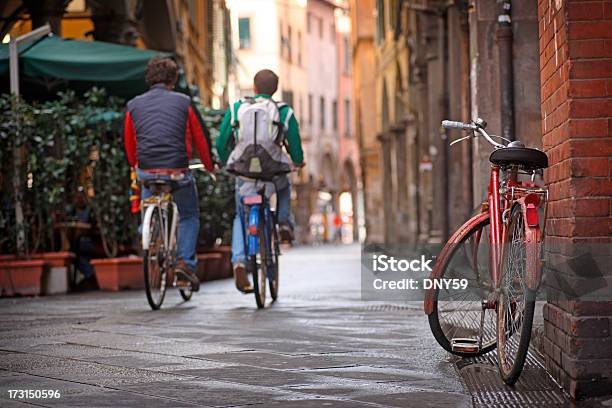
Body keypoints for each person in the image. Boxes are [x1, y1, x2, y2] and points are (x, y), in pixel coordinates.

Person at [124, 57, 214, 291]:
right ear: (174, 79)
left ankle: (148, 233)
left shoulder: (133, 105)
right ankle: (185, 263)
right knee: (189, 214)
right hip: (177, 172)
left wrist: (136, 164)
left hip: (146, 171)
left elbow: (129, 144)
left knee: (147, 192)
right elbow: (200, 139)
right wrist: (210, 165)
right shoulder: (184, 102)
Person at [216, 69, 304, 293]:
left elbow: (221, 142)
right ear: (275, 90)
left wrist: (229, 162)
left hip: (244, 175)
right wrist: (298, 162)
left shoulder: (237, 108)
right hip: (272, 175)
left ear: (254, 88)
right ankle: (283, 221)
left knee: (240, 216)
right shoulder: (283, 111)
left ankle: (238, 261)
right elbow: (294, 145)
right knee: (285, 186)